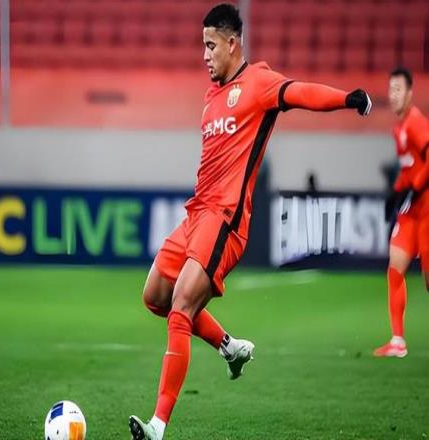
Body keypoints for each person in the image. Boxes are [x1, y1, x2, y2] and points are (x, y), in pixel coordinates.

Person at [129, 4, 372, 439]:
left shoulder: (258, 83)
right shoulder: (211, 97)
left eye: (210, 46)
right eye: (202, 46)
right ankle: (230, 348)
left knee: (181, 308)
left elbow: (300, 92)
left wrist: (347, 98)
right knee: (155, 298)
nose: (204, 55)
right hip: (195, 215)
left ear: (231, 43)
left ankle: (157, 426)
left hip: (225, 220)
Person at [374, 67, 429, 358]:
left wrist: (416, 188)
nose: (393, 95)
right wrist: (395, 193)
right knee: (395, 267)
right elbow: (409, 169)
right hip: (411, 212)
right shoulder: (399, 129)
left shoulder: (416, 123)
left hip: (427, 209)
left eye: (398, 90)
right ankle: (397, 341)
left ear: (409, 93)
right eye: (390, 89)